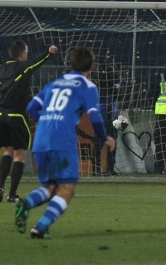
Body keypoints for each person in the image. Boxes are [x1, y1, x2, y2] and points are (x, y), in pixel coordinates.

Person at [16, 46, 116, 239]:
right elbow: (95, 116)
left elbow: (32, 107)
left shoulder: (53, 83)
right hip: (62, 140)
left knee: (52, 188)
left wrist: (45, 122)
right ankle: (40, 227)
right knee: (67, 189)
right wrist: (105, 138)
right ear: (91, 67)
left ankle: (27, 204)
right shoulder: (87, 87)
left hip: (41, 139)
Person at [0, 41, 56, 203]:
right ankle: (12, 195)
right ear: (22, 54)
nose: (27, 55)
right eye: (26, 52)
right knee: (19, 154)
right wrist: (48, 52)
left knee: (8, 151)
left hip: (1, 114)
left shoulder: (1, 70)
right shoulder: (22, 68)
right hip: (17, 116)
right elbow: (36, 63)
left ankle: (0, 187)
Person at [92, 62, 120, 176]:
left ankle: (110, 169)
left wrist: (113, 83)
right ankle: (96, 169)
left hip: (112, 115)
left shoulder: (116, 78)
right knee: (98, 143)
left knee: (112, 143)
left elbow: (119, 94)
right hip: (101, 115)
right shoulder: (96, 80)